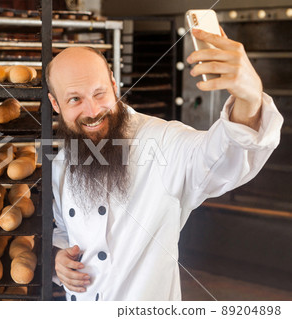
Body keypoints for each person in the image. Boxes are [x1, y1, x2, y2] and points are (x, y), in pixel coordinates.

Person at [46, 27, 284, 301]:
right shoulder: (64, 159)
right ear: (55, 104)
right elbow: (65, 229)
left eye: (99, 93)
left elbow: (220, 157)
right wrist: (58, 257)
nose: (92, 111)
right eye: (75, 99)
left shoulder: (162, 141)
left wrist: (249, 99)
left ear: (114, 85)